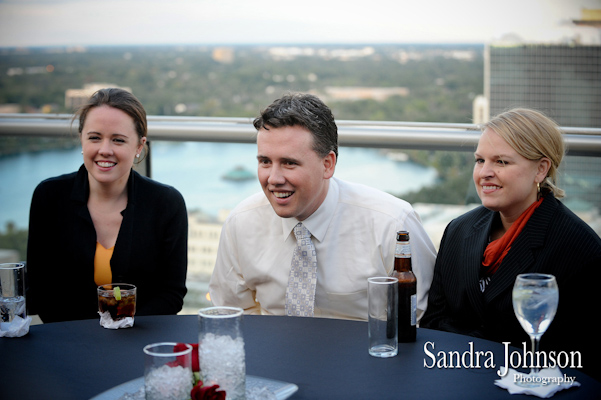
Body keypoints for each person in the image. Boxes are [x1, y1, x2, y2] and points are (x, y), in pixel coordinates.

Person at [209, 92, 436, 321]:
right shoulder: (241, 223)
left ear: (327, 164)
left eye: (289, 163)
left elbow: (420, 322)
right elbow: (229, 315)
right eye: (265, 162)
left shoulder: (393, 224)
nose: (274, 178)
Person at [420, 108, 601, 380]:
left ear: (541, 169)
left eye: (502, 162)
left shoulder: (580, 249)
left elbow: (578, 356)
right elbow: (433, 324)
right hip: (454, 382)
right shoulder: (459, 231)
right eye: (480, 160)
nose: (485, 172)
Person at [26, 88, 188, 323]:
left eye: (118, 140)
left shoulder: (166, 203)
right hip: (68, 341)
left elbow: (171, 295)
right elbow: (40, 290)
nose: (105, 150)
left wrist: (123, 330)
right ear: (81, 138)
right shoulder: (49, 197)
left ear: (139, 147)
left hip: (139, 342)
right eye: (94, 137)